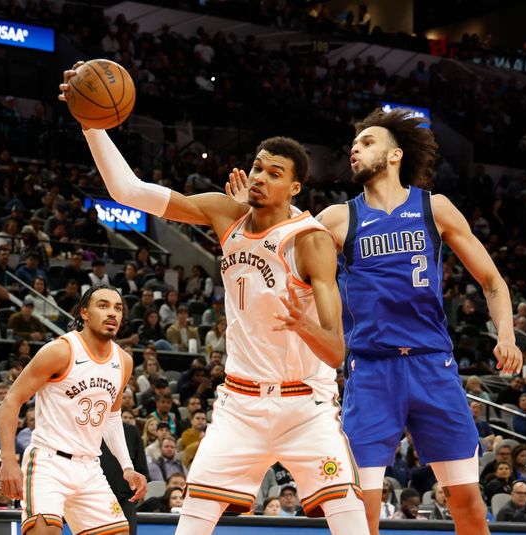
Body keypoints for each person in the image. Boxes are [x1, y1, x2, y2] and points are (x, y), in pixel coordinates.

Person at [64, 62, 368, 535]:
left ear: (294, 187)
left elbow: (335, 350)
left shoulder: (310, 241)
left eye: (273, 172)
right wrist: (91, 126)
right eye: (256, 167)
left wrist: (302, 324)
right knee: (192, 524)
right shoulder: (225, 213)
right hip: (240, 405)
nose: (259, 177)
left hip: (305, 405)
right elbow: (128, 191)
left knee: (349, 520)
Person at [228, 107, 521, 535]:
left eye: (366, 143)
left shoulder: (434, 208)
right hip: (371, 372)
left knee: (469, 506)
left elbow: (493, 282)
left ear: (395, 154)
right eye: (353, 146)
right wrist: (247, 214)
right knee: (358, 512)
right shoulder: (336, 218)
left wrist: (507, 335)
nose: (355, 151)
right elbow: (271, 251)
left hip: (432, 366)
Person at [0, 286, 147, 535]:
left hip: (89, 467)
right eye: (103, 305)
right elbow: (11, 400)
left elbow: (111, 416)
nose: (112, 313)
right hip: (49, 462)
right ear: (84, 313)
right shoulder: (61, 350)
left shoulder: (124, 361)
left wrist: (127, 466)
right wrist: (8, 461)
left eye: (118, 308)